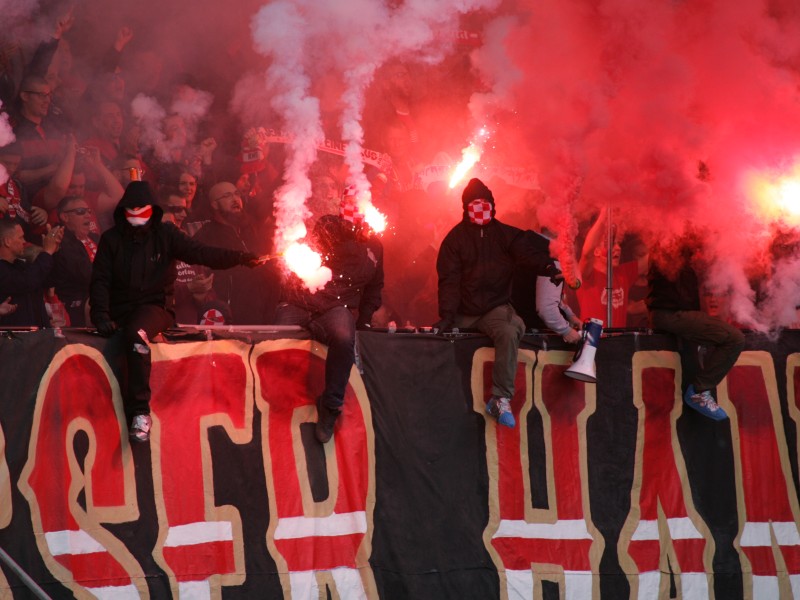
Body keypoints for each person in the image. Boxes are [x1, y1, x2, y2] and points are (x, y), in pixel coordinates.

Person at [90, 181, 263, 442]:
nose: (137, 214)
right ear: (123, 210)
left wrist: (239, 258)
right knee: (128, 334)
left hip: (155, 308)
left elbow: (202, 253)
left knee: (137, 335)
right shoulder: (111, 239)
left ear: (153, 210)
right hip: (119, 309)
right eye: (132, 209)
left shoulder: (166, 234)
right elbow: (100, 279)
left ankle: (140, 414)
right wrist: (101, 315)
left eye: (143, 209)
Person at [436, 178, 558, 428]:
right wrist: (447, 316)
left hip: (494, 308)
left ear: (492, 205)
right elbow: (449, 281)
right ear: (466, 207)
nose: (480, 208)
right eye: (474, 204)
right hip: (463, 310)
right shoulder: (455, 240)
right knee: (441, 340)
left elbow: (528, 252)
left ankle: (501, 398)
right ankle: (444, 402)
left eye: (485, 203)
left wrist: (547, 266)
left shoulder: (506, 235)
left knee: (511, 329)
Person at [275, 190, 384, 444]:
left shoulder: (375, 245)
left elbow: (374, 287)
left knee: (345, 337)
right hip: (302, 301)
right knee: (277, 337)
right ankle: (275, 402)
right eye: (349, 205)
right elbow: (327, 233)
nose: (354, 211)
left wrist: (364, 320)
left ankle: (331, 406)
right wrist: (348, 232)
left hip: (337, 307)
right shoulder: (328, 226)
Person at [646, 232, 745, 421]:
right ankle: (700, 390)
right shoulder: (668, 238)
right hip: (670, 314)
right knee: (735, 338)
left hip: (672, 313)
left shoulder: (676, 243)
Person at [193, 181, 280, 324]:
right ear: (214, 204)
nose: (235, 199)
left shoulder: (250, 227)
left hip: (266, 311)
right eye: (227, 196)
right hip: (232, 315)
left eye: (236, 194)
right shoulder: (206, 235)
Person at [576, 210, 646, 328]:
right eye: (611, 244)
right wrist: (605, 211)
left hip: (617, 342)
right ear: (596, 251)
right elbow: (587, 253)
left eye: (618, 243)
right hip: (593, 342)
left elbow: (652, 259)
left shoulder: (623, 273)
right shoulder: (587, 274)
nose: (618, 248)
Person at [0, 219, 63, 327]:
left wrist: (54, 252)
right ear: (7, 241)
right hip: (13, 340)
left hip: (38, 337)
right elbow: (26, 282)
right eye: (20, 237)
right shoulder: (3, 270)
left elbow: (53, 279)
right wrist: (47, 252)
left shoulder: (21, 266)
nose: (24, 241)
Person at [51, 196, 99, 326]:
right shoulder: (61, 242)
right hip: (77, 303)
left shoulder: (97, 238)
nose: (87, 215)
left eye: (88, 211)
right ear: (65, 217)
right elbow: (86, 276)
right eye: (80, 211)